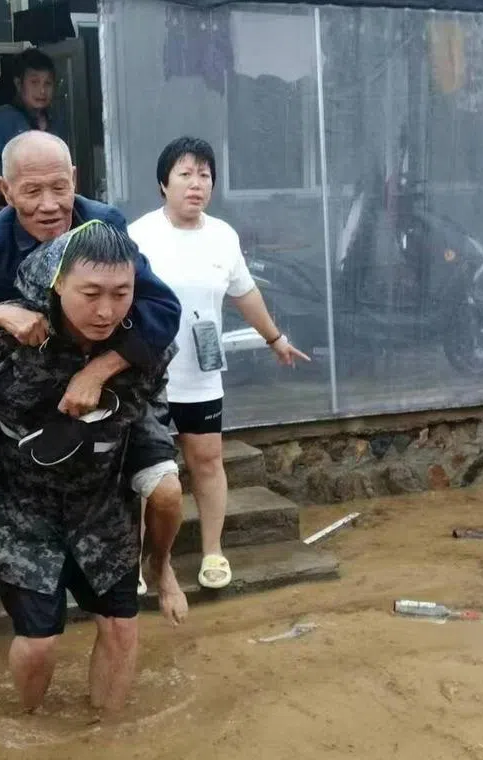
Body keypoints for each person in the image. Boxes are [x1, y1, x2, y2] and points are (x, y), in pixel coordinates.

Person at [0, 131, 187, 680]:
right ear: (4, 189)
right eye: (33, 190)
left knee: (165, 487)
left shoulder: (104, 226)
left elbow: (162, 310)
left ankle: (161, 570)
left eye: (60, 188)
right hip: (18, 387)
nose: (49, 205)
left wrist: (99, 368)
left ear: (76, 182)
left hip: (110, 386)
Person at [128, 136, 310, 590]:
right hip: (148, 376)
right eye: (185, 174)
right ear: (163, 184)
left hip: (201, 372)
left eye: (205, 175)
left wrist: (275, 338)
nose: (196, 184)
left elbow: (244, 293)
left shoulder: (223, 236)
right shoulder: (138, 236)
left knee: (206, 460)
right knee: (141, 469)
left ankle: (212, 551)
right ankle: (133, 562)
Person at [0, 48, 59, 217]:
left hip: (46, 213)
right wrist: (15, 194)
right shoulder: (4, 119)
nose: (42, 91)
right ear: (19, 84)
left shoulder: (55, 122)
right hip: (8, 216)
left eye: (47, 83)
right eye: (34, 82)